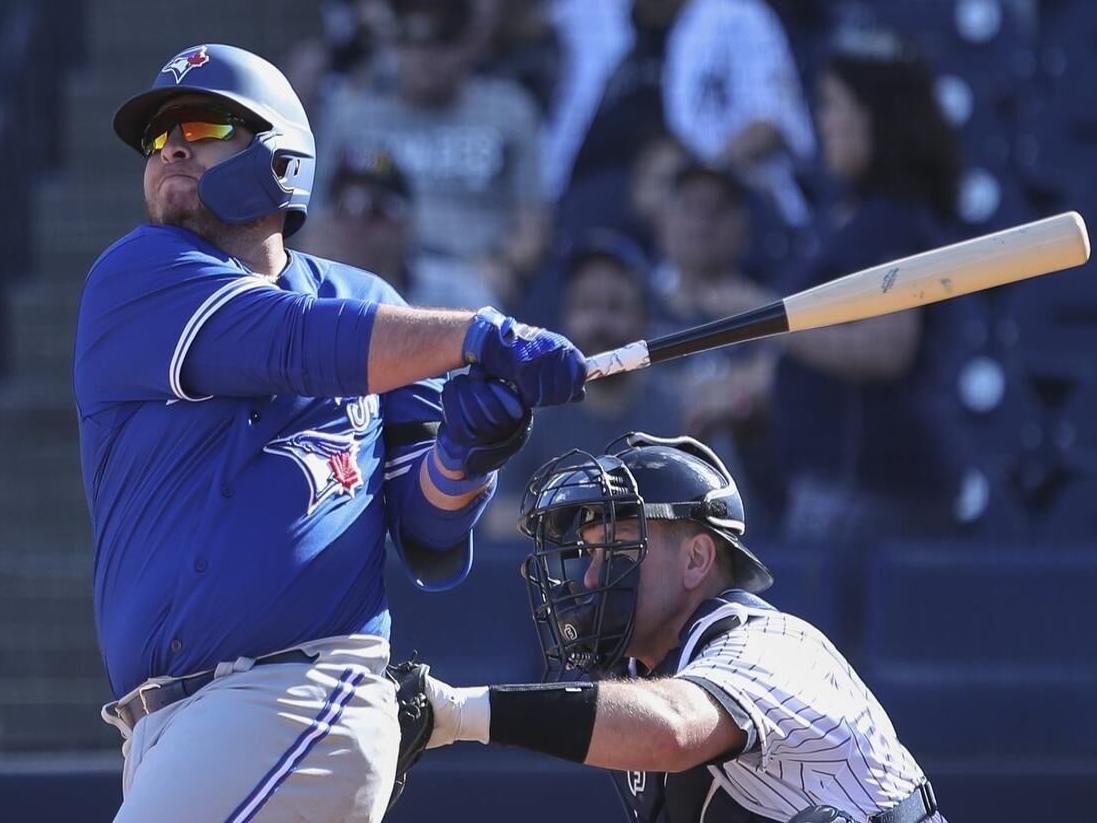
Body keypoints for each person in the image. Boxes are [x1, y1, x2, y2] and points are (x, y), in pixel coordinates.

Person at [72, 43, 586, 823]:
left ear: (280, 162)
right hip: (162, 732)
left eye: (204, 124)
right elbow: (290, 340)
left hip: (297, 690)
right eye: (156, 138)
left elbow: (426, 526)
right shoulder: (138, 275)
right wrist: (478, 332)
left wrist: (466, 452)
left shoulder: (369, 304)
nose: (171, 146)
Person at [420, 432, 946, 823]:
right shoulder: (641, 670)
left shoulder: (772, 643)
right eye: (589, 552)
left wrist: (458, 713)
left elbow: (673, 729)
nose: (592, 574)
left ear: (697, 559)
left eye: (617, 549)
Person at [709, 32, 971, 547]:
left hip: (870, 493)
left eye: (833, 106)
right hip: (831, 486)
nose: (823, 123)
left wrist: (765, 316)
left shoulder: (892, 223)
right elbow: (819, 352)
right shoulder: (850, 219)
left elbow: (884, 349)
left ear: (875, 118)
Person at [313, 0, 550, 311]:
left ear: (470, 43)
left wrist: (506, 266)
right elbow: (316, 222)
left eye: (443, 43)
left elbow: (532, 225)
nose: (428, 58)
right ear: (393, 45)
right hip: (371, 274)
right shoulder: (352, 114)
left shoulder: (509, 109)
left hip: (472, 274)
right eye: (414, 44)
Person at [295, 145, 501, 310]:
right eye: (345, 208)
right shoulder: (302, 294)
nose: (356, 225)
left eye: (375, 211)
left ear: (406, 223)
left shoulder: (456, 292)